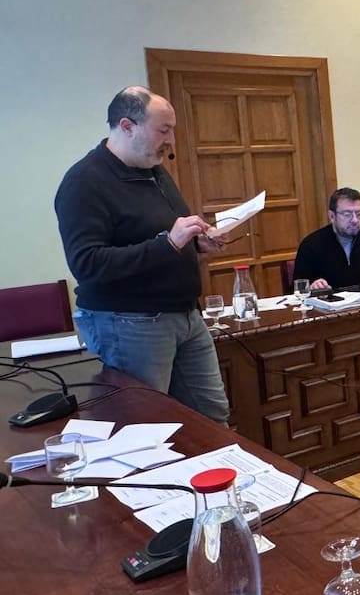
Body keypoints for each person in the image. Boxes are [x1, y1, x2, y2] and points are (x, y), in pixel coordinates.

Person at [54, 86, 230, 423]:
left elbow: (162, 241)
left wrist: (195, 245)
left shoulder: (155, 171)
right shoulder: (84, 182)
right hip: (130, 323)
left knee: (210, 416)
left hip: (185, 316)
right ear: (127, 125)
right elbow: (87, 264)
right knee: (143, 427)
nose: (171, 141)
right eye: (164, 130)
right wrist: (169, 243)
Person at [293, 188, 360, 290]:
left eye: (358, 214)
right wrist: (312, 287)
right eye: (347, 214)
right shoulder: (311, 245)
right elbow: (299, 288)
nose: (355, 220)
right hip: (329, 302)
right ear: (332, 216)